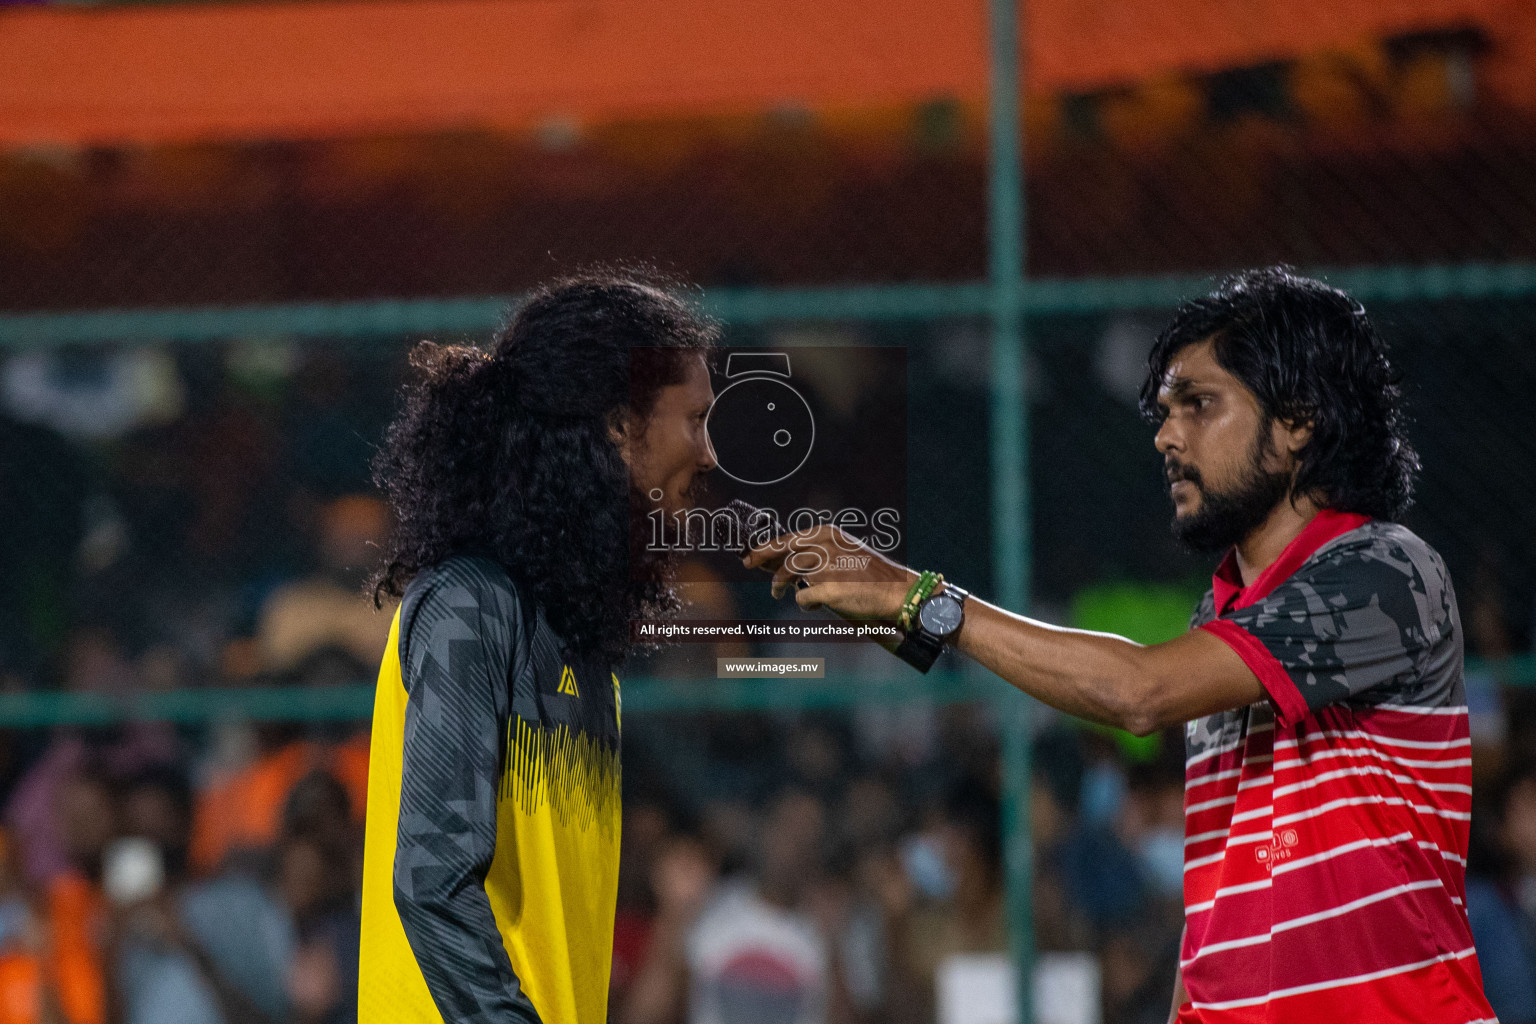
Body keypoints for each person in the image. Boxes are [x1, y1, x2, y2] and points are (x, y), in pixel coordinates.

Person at [747, 267, 1497, 1022]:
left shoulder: (1386, 570)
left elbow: (1141, 695)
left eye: (1200, 405)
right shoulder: (1223, 612)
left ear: (1299, 420)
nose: (1167, 436)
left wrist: (917, 600)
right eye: (1165, 412)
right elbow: (1221, 894)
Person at [359, 274, 719, 1023]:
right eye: (695, 420)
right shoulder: (469, 603)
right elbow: (434, 881)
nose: (710, 453)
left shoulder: (582, 646)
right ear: (620, 428)